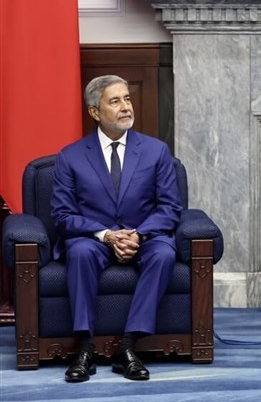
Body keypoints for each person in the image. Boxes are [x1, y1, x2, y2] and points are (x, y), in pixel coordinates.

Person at [51, 75, 182, 382]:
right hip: (93, 238)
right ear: (95, 112)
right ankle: (85, 348)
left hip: (143, 236)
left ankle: (128, 346)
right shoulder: (70, 156)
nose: (125, 107)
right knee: (80, 252)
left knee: (164, 253)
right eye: (115, 101)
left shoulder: (156, 151)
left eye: (127, 99)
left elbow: (170, 207)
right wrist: (106, 235)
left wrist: (138, 234)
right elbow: (62, 215)